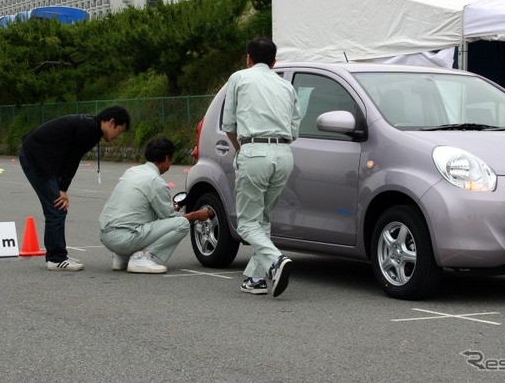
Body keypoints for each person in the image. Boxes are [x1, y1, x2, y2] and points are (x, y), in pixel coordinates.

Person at [221, 36, 301, 297]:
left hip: (254, 150)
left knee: (246, 223)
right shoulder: (286, 86)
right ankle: (255, 278)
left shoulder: (239, 78)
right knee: (262, 217)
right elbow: (294, 129)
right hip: (284, 154)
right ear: (275, 61)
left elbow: (229, 125)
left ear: (248, 58)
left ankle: (275, 260)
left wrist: (242, 149)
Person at [19, 106, 131, 271]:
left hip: (40, 156)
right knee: (57, 206)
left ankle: (56, 255)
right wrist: (63, 189)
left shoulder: (90, 125)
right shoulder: (89, 129)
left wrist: (61, 184)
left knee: (55, 207)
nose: (117, 137)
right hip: (36, 158)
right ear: (111, 122)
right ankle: (56, 258)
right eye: (119, 131)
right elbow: (73, 159)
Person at [99, 137, 213, 274]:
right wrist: (195, 215)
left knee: (142, 215)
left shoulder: (132, 171)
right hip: (124, 239)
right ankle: (142, 257)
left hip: (105, 235)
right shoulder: (156, 181)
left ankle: (121, 256)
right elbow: (170, 218)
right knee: (182, 224)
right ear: (166, 158)